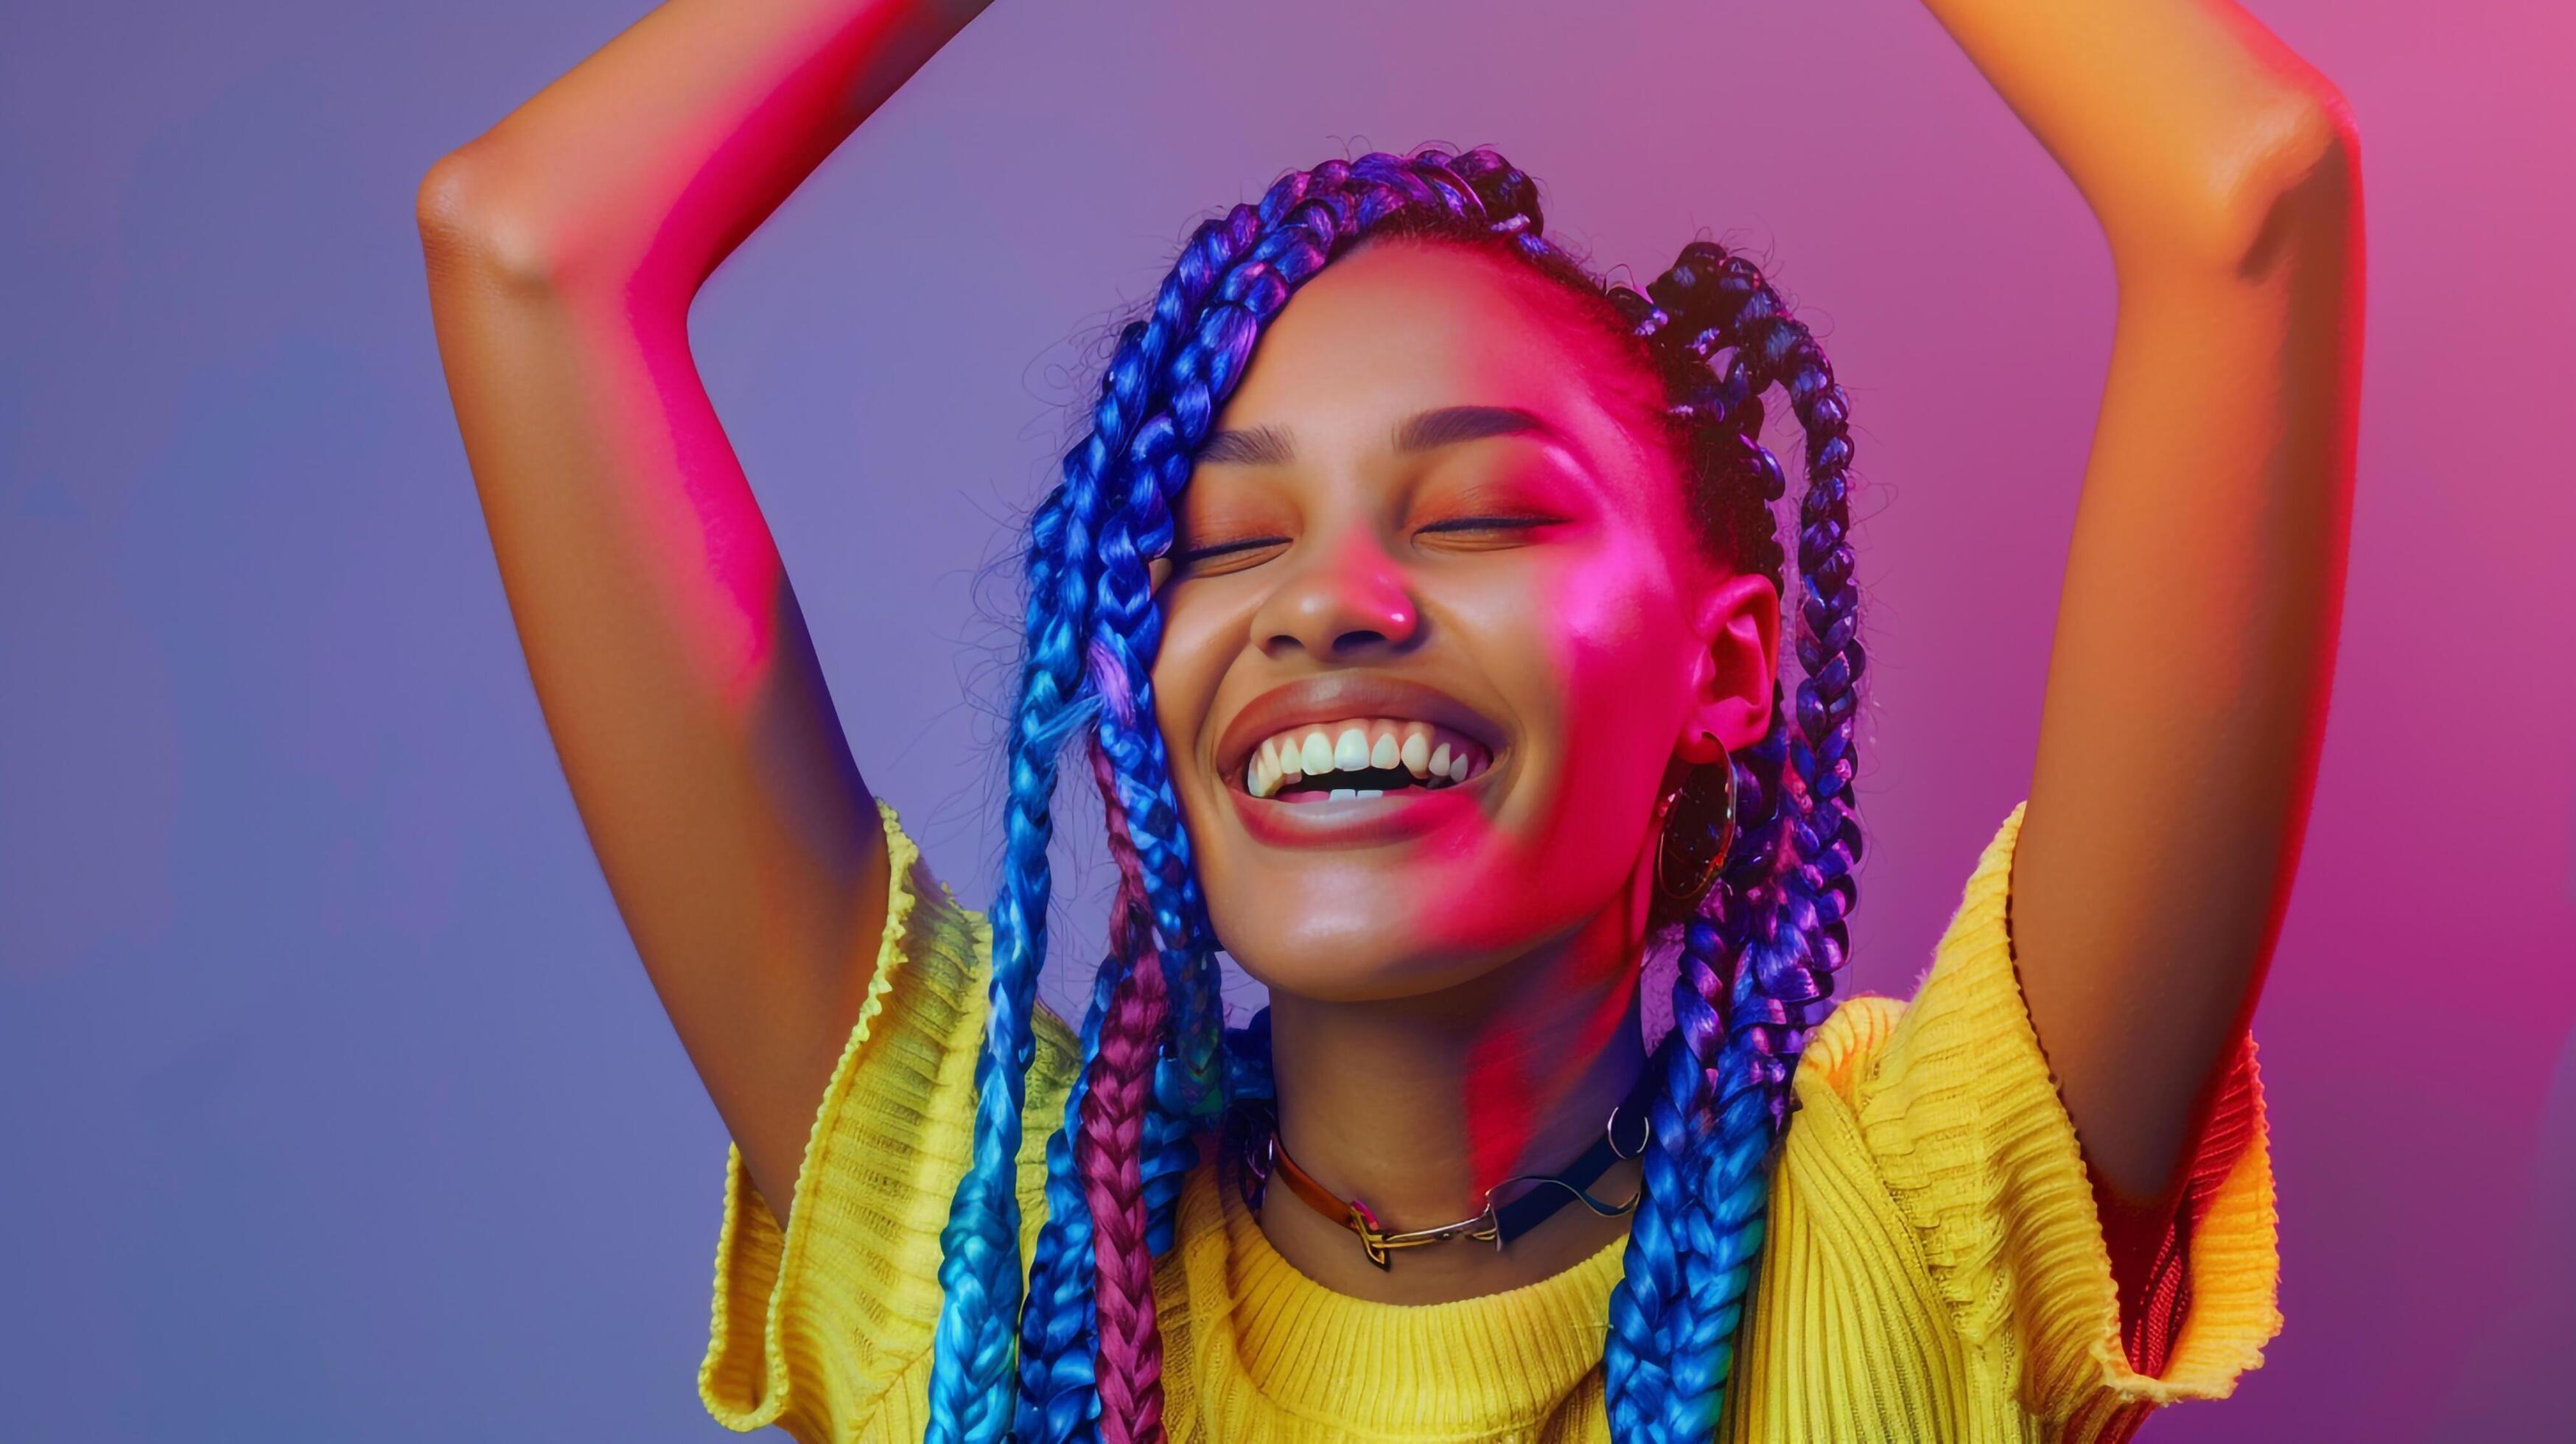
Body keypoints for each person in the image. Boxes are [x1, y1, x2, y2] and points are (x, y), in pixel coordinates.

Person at [415, 0, 2359, 1438]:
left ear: (1730, 665)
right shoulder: (990, 1258)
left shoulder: (1935, 1228)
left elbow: (2248, 196)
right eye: (1222, 540)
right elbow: (528, 248)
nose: (1329, 608)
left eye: (1488, 511)